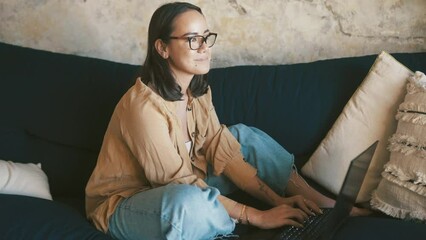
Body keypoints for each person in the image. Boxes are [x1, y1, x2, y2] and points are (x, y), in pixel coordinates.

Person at [85, 2, 370, 239]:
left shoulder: (198, 90)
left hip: (187, 183)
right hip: (131, 204)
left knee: (242, 137)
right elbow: (176, 184)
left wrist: (278, 202)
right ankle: (220, 228)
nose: (204, 48)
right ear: (162, 48)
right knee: (188, 205)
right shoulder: (142, 107)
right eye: (192, 39)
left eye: (206, 37)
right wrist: (258, 216)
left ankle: (320, 205)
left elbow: (221, 147)